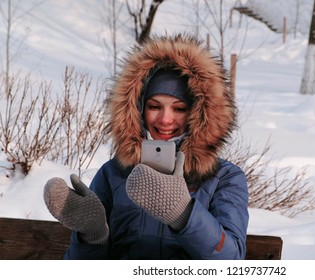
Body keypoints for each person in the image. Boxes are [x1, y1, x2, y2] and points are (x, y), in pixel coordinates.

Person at [43, 34, 249, 260]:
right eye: (154, 106)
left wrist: (184, 213)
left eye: (179, 109)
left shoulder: (224, 178)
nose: (165, 119)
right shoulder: (113, 173)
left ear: (199, 114)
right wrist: (92, 236)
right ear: (138, 110)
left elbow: (232, 261)